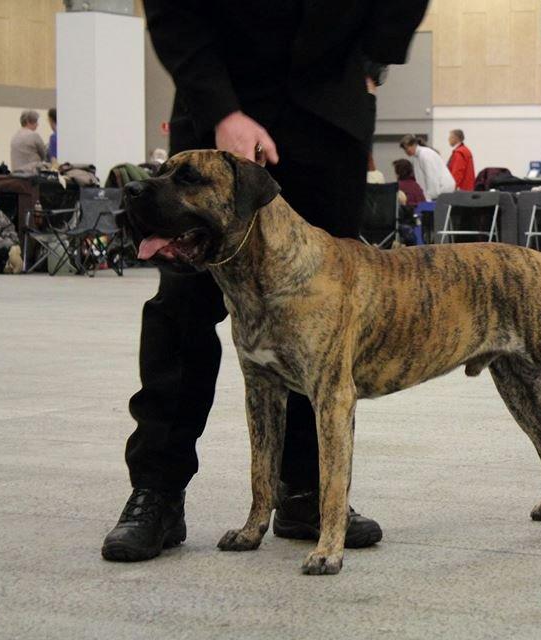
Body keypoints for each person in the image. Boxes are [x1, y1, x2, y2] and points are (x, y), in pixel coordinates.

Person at [101, 0, 428, 563]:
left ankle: (304, 493)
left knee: (322, 321)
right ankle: (157, 490)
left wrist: (373, 63)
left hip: (328, 119)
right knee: (183, 309)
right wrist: (221, 107)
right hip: (218, 108)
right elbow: (173, 11)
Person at [399, 134, 455, 201]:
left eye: (407, 148)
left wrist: (429, 199)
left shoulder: (425, 155)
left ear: (414, 144)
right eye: (404, 149)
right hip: (437, 192)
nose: (406, 151)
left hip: (442, 191)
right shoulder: (416, 158)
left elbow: (431, 177)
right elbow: (421, 181)